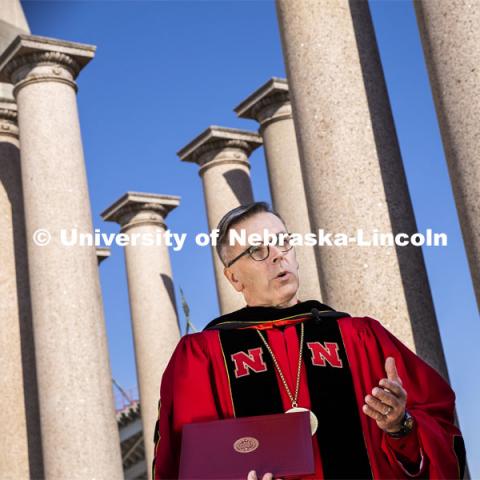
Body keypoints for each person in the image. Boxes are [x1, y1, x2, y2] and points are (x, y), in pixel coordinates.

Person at [152, 201, 466, 479]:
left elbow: (439, 425)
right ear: (234, 277)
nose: (277, 257)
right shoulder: (202, 356)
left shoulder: (360, 337)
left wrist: (402, 425)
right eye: (257, 250)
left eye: (282, 243)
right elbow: (183, 463)